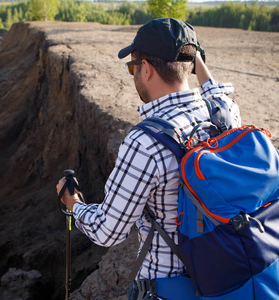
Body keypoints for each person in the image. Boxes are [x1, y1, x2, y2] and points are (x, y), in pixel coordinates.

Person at [56, 18, 241, 299]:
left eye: (132, 67)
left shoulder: (145, 142)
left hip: (171, 289)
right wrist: (196, 60)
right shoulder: (223, 115)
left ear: (146, 69)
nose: (133, 75)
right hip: (227, 278)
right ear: (191, 64)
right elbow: (215, 92)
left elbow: (108, 231)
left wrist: (74, 205)